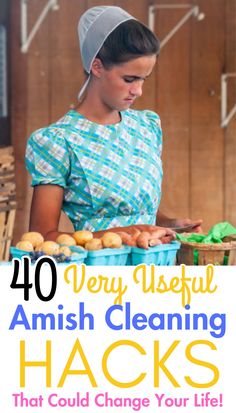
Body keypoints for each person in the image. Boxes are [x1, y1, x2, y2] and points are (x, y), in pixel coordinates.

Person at [25, 6, 202, 247]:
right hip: (100, 278)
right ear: (97, 67)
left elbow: (136, 210)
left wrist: (169, 224)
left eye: (143, 79)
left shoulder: (147, 127)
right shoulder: (58, 141)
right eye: (129, 79)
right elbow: (42, 238)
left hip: (156, 271)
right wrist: (122, 234)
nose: (138, 90)